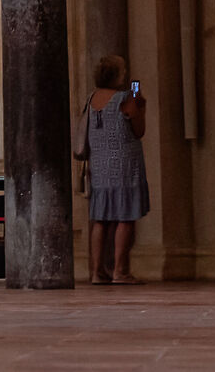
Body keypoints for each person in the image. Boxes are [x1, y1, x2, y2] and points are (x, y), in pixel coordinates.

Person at [82, 56, 147, 284]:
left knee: (100, 220)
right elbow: (138, 130)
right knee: (125, 217)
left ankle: (96, 272)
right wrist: (140, 104)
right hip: (124, 165)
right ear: (117, 75)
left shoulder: (92, 99)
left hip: (99, 165)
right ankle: (120, 271)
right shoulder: (125, 98)